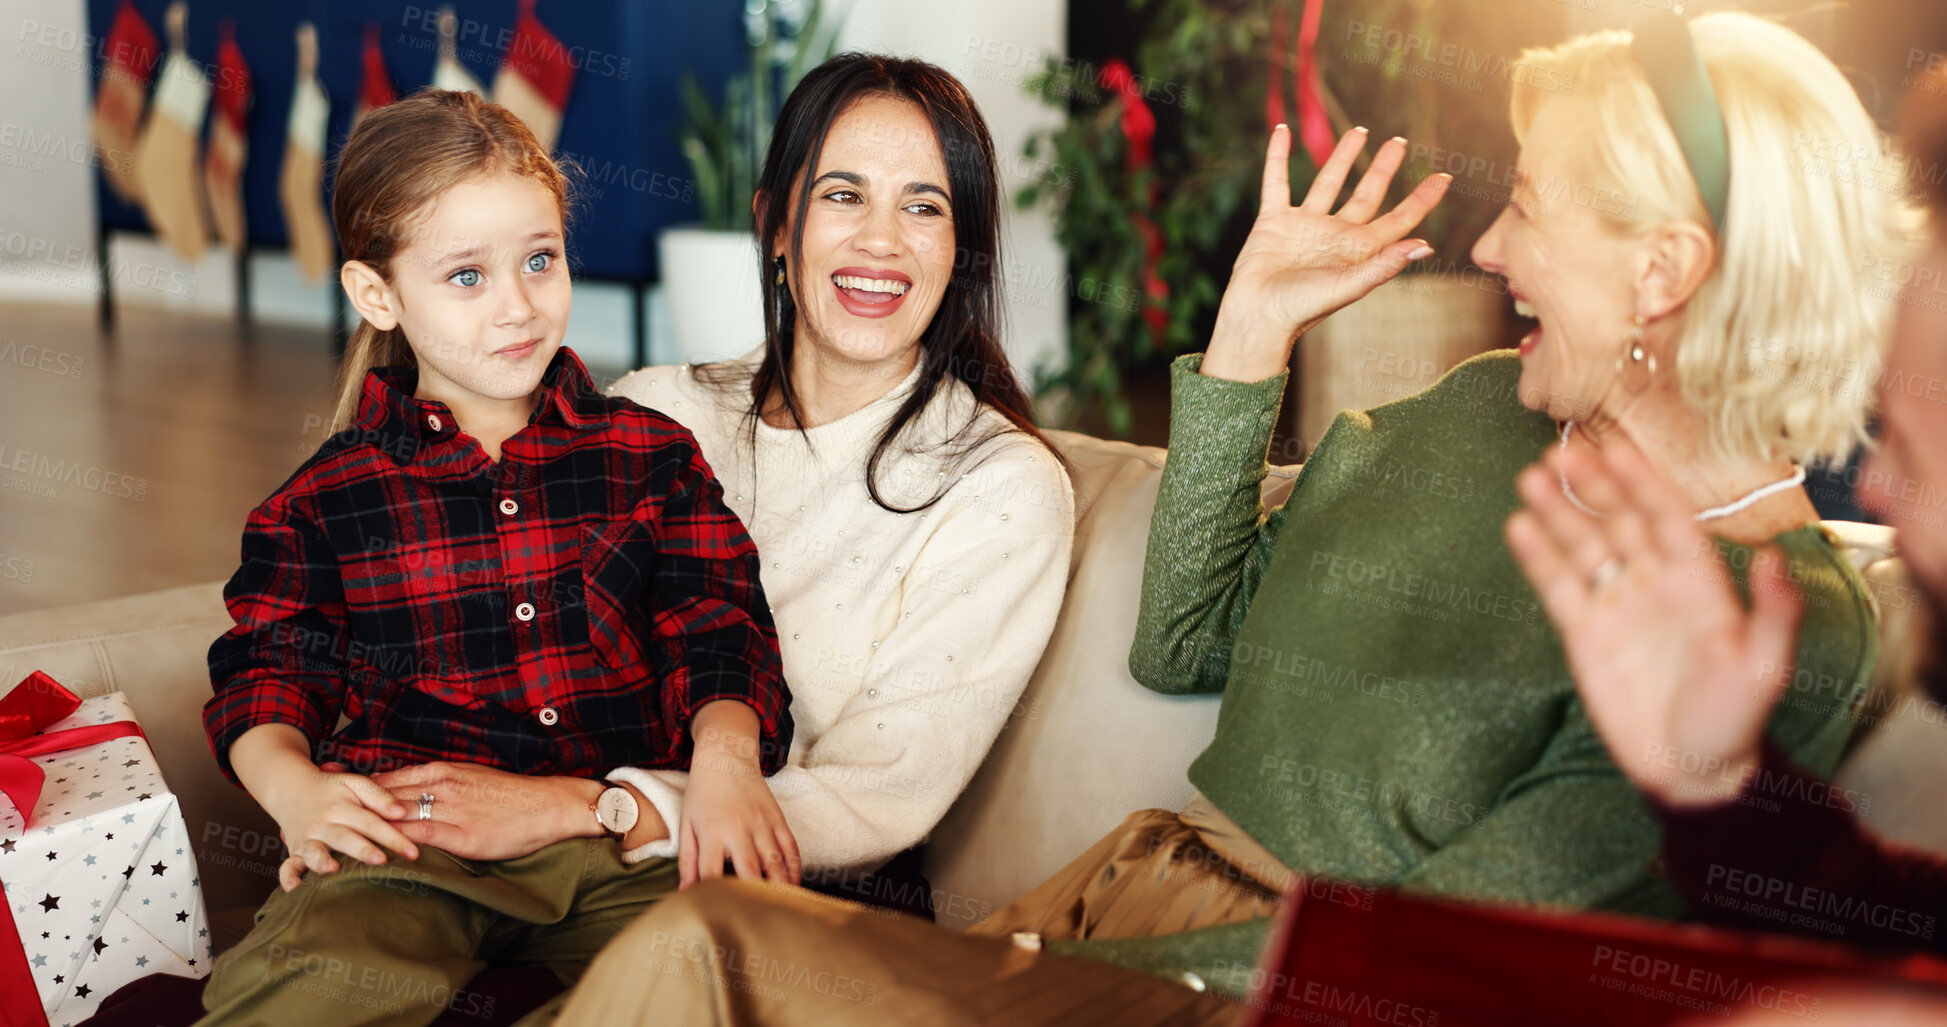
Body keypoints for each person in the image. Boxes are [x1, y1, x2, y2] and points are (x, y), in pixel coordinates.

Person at [546, 12, 1906, 1026]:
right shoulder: (1478, 407)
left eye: (1530, 209)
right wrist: (1247, 333)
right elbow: (1181, 641)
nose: (1487, 252)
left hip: (1242, 992)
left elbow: (1437, 947)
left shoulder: (1777, 615)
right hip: (1104, 898)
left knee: (694, 954)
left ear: (1660, 270)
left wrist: (1049, 974)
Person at [194, 89, 795, 1026]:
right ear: (376, 294)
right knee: (300, 991)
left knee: (758, 975)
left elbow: (717, 621)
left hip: (612, 848)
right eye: (466, 276)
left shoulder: (649, 456)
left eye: (539, 260)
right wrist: (297, 791)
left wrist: (726, 762)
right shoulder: (323, 500)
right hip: (405, 853)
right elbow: (267, 668)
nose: (518, 306)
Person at [595, 54, 1075, 890]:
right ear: (774, 227)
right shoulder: (650, 416)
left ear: (960, 251)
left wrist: (590, 812)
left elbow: (869, 803)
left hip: (779, 908)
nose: (881, 240)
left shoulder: (1000, 487)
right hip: (530, 857)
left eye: (923, 206)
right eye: (842, 195)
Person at [1501, 64, 1947, 960]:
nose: (1870, 488)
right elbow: (1896, 920)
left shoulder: (1803, 599)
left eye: (1907, 444)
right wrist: (1716, 785)